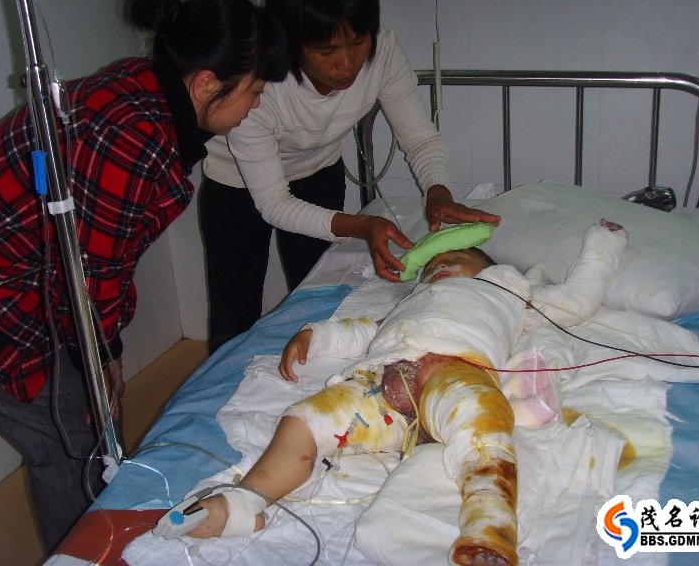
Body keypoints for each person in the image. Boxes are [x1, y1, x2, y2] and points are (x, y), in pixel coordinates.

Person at [0, 0, 288, 554]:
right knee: (71, 441)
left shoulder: (145, 88)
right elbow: (90, 272)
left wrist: (104, 351)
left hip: (15, 269)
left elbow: (96, 259)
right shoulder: (134, 136)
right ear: (207, 82)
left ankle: (102, 523)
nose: (256, 106)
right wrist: (103, 355)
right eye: (254, 91)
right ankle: (86, 553)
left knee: (88, 424)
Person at [184, 220, 628, 566]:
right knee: (306, 418)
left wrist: (603, 247)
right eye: (432, 265)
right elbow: (365, 331)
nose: (439, 266)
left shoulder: (510, 293)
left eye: (455, 258)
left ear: (489, 270)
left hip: (454, 375)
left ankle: (489, 529)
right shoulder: (411, 302)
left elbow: (575, 302)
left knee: (483, 423)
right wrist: (313, 335)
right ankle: (249, 499)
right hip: (380, 389)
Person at [199, 0, 501, 353]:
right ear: (291, 42)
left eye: (358, 42)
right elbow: (273, 203)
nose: (347, 63)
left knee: (320, 297)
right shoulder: (260, 80)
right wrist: (360, 225)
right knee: (234, 314)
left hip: (317, 171)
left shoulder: (383, 52)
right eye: (326, 51)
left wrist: (437, 191)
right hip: (236, 184)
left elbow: (420, 138)